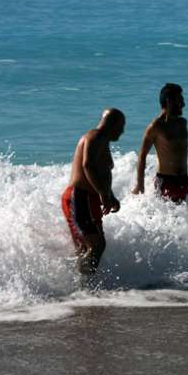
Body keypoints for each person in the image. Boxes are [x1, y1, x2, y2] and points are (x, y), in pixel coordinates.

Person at [61, 108, 125, 275]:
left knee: (87, 247)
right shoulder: (95, 136)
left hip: (86, 197)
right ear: (113, 124)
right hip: (80, 196)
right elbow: (87, 165)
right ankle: (84, 287)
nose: (123, 131)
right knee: (97, 245)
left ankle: (81, 289)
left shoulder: (102, 140)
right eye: (122, 126)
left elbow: (101, 170)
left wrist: (109, 194)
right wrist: (103, 194)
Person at [132, 83, 188, 202]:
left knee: (187, 220)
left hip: (184, 181)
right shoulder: (155, 126)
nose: (183, 104)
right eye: (180, 100)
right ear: (169, 101)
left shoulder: (182, 123)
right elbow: (142, 155)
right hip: (166, 182)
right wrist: (140, 184)